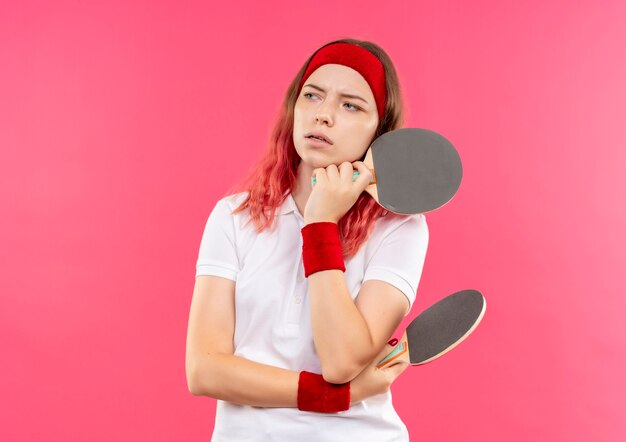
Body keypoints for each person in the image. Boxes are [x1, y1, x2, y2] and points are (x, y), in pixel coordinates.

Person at [186, 38, 429, 441]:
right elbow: (204, 369)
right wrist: (334, 397)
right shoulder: (233, 217)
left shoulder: (400, 228)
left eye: (351, 104)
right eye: (312, 96)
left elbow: (341, 360)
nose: (324, 115)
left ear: (379, 132)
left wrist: (320, 222)